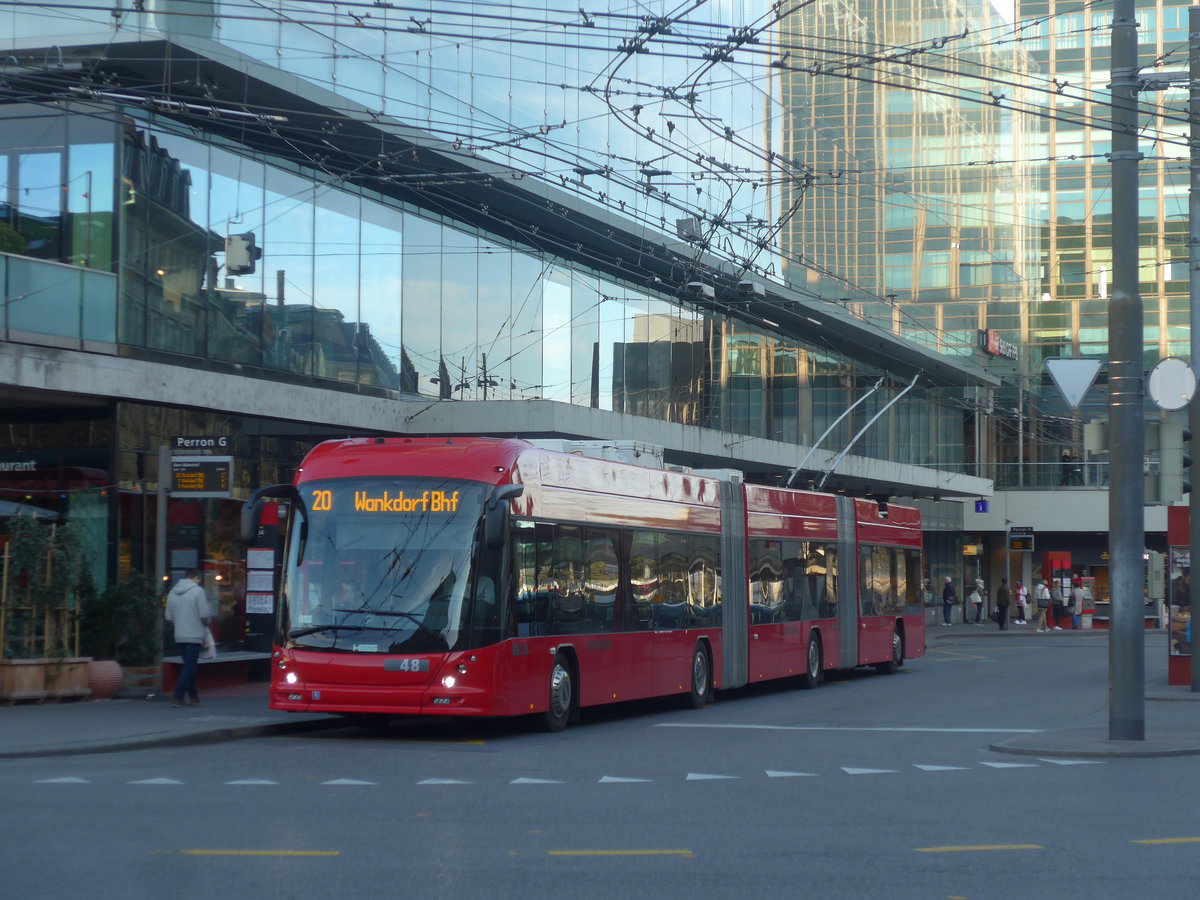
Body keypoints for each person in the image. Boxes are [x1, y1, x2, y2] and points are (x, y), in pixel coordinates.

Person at [165, 568, 212, 708]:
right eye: (199, 579)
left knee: (188, 666)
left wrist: (179, 623)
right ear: (196, 578)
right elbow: (204, 614)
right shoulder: (198, 591)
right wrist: (206, 623)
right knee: (190, 666)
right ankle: (178, 696)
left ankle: (193, 695)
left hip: (179, 634)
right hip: (194, 634)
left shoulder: (173, 592)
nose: (200, 582)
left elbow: (168, 616)